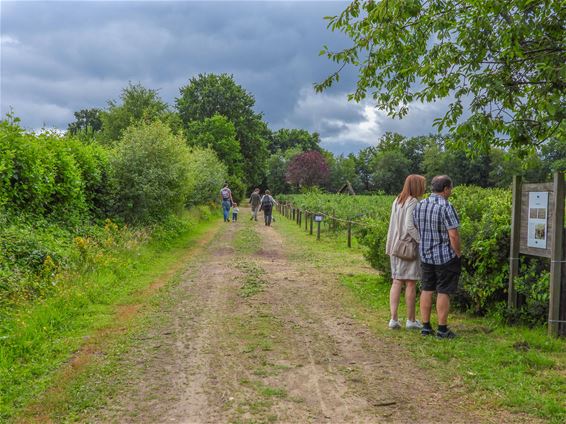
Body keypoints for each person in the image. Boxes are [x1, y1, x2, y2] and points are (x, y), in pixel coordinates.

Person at [413, 175, 462, 339]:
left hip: (425, 255)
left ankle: (426, 327)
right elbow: (453, 235)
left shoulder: (420, 205)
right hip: (444, 257)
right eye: (451, 188)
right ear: (446, 188)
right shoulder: (446, 206)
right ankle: (442, 329)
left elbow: (416, 226)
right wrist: (458, 252)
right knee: (443, 291)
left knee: (426, 289)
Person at [385, 174, 426, 330]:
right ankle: (411, 320)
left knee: (396, 281)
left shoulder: (397, 200)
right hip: (406, 247)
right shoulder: (413, 202)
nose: (424, 187)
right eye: (423, 184)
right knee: (410, 282)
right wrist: (420, 240)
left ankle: (394, 319)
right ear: (416, 186)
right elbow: (409, 226)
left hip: (394, 246)